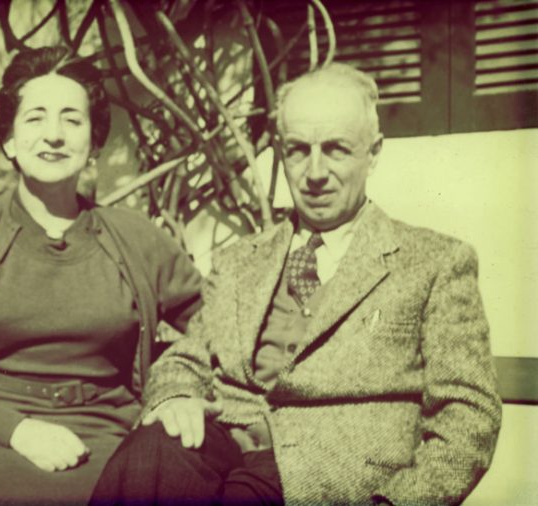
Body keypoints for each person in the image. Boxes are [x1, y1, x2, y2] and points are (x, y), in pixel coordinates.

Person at [89, 63, 502, 506]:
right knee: (147, 455)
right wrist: (175, 398)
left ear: (374, 153)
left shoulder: (433, 262)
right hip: (223, 442)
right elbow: (186, 358)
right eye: (298, 150)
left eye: (336, 149)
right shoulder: (240, 261)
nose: (315, 172)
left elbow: (468, 416)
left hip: (332, 469)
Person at [0, 46, 202, 505]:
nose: (54, 135)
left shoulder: (137, 238)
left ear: (94, 144)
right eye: (35, 118)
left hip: (114, 438)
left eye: (72, 120)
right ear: (9, 140)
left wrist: (179, 391)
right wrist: (18, 430)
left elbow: (219, 327)